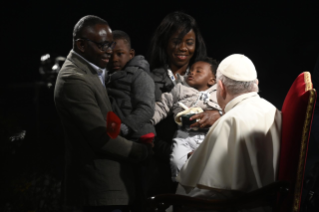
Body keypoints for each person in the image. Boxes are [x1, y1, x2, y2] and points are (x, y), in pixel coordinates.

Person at [54, 15, 151, 212]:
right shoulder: (74, 79)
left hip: (111, 189)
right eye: (103, 45)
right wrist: (140, 151)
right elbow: (100, 137)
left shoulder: (92, 70)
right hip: (100, 189)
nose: (109, 51)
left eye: (111, 44)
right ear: (81, 45)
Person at [174, 54, 282, 212]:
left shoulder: (230, 121)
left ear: (221, 87)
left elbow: (214, 192)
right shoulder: (272, 110)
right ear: (256, 84)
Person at [147, 11, 221, 195]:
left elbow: (234, 109)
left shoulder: (209, 75)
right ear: (165, 42)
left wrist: (218, 115)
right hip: (159, 166)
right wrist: (171, 151)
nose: (182, 48)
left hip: (204, 160)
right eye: (175, 41)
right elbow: (146, 119)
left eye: (189, 42)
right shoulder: (149, 79)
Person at [151, 58, 221, 181]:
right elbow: (162, 105)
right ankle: (180, 185)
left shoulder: (219, 93)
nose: (192, 73)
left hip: (208, 136)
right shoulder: (179, 90)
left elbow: (230, 110)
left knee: (208, 165)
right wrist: (149, 120)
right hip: (184, 135)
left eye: (198, 71)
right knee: (176, 160)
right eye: (190, 71)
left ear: (212, 80)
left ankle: (202, 187)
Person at [106, 30, 155, 141]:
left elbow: (146, 108)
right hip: (114, 134)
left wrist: (125, 127)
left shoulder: (139, 75)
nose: (114, 59)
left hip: (138, 136)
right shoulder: (106, 78)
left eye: (120, 54)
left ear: (131, 54)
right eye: (109, 54)